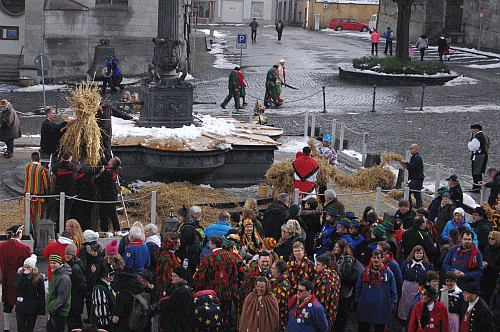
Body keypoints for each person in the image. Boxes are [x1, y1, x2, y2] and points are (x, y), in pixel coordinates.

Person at [192, 235, 241, 325]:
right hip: (227, 293)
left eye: (210, 244)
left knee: (213, 319)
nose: (209, 246)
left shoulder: (208, 258)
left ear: (214, 245)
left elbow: (200, 276)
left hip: (212, 295)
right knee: (225, 318)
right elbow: (235, 275)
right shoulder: (230, 256)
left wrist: (196, 290)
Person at [355, 249, 397, 332]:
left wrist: (391, 306)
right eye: (374, 257)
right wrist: (358, 302)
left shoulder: (388, 274)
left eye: (378, 258)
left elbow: (393, 292)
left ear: (382, 259)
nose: (376, 260)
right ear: (371, 259)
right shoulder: (365, 272)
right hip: (365, 308)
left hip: (381, 309)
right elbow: (358, 288)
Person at [0, 225, 31, 332]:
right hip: (20, 280)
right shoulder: (25, 248)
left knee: (7, 304)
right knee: (21, 304)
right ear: (18, 234)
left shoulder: (2, 246)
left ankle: (6, 328)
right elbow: (29, 266)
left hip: (6, 279)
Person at [398, 245, 434, 322]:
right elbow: (401, 274)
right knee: (405, 305)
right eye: (417, 253)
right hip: (407, 286)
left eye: (421, 253)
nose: (419, 255)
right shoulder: (406, 263)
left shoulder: (427, 265)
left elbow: (431, 276)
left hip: (420, 287)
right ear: (413, 254)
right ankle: (405, 321)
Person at [158, 266, 194, 332]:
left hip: (177, 326)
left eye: (175, 276)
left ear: (181, 277)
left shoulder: (181, 291)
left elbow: (169, 306)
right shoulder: (183, 288)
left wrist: (163, 302)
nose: (172, 278)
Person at [14, 254, 45, 332]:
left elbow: (41, 294)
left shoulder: (38, 278)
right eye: (25, 267)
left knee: (30, 328)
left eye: (28, 267)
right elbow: (17, 288)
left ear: (33, 268)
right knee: (21, 328)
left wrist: (42, 309)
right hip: (21, 306)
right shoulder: (20, 276)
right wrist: (23, 277)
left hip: (32, 306)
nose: (26, 269)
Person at [111, 266, 145, 332]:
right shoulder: (140, 291)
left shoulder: (122, 295)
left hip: (124, 327)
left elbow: (116, 318)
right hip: (137, 325)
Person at [93, 156, 121, 232]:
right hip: (112, 195)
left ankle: (105, 230)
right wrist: (102, 158)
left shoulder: (107, 173)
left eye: (111, 159)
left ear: (112, 163)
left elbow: (96, 180)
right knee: (113, 214)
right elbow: (106, 164)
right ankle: (117, 229)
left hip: (107, 196)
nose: (109, 159)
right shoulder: (114, 170)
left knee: (104, 214)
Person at [24, 152, 49, 235]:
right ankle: (37, 232)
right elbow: (45, 183)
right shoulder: (42, 169)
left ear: (31, 159)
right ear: (39, 159)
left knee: (29, 213)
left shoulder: (27, 167)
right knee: (38, 214)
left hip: (28, 195)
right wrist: (47, 194)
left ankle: (29, 231)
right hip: (38, 196)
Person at [46, 254, 72, 332]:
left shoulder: (63, 278)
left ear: (59, 263)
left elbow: (62, 298)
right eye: (51, 263)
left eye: (54, 263)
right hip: (54, 310)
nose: (52, 265)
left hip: (59, 312)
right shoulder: (56, 274)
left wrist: (52, 308)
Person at [52, 152, 81, 222]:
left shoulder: (57, 167)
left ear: (62, 158)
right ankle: (65, 226)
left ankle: (59, 228)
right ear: (71, 158)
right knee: (68, 212)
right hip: (70, 194)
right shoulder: (74, 167)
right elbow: (81, 164)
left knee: (59, 212)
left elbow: (54, 169)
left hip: (59, 193)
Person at [314, 254, 340, 330]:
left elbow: (321, 298)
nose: (316, 267)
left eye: (318, 265)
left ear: (324, 266)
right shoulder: (334, 274)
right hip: (332, 309)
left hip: (325, 310)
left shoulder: (325, 280)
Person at [64, 243, 87, 331]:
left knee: (74, 321)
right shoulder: (74, 265)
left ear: (73, 255)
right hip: (75, 298)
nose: (66, 256)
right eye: (65, 254)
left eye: (68, 254)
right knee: (76, 319)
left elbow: (80, 285)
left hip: (75, 298)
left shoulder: (75, 268)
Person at [334, 239, 354, 332]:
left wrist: (335, 274)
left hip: (345, 292)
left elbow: (346, 275)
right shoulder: (339, 257)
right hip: (340, 290)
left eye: (337, 247)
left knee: (342, 313)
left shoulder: (347, 259)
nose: (335, 248)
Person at [90, 264, 116, 331]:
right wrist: (105, 326)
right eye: (110, 275)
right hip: (102, 325)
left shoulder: (107, 286)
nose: (113, 276)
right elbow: (101, 310)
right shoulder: (99, 288)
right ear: (104, 276)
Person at [401, 144, 425, 209]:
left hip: (417, 179)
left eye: (412, 148)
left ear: (416, 149)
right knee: (417, 195)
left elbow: (412, 167)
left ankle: (410, 207)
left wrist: (405, 163)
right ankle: (420, 209)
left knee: (407, 192)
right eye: (410, 148)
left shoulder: (417, 157)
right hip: (417, 178)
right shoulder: (415, 156)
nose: (410, 150)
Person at [480, 230, 500, 304]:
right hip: (485, 277)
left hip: (495, 279)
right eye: (489, 238)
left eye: (492, 239)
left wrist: (488, 265)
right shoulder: (487, 249)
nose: (490, 240)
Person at [270, 260, 290, 332]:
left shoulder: (280, 285)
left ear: (277, 270)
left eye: (272, 268)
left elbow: (275, 304)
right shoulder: (283, 279)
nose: (271, 270)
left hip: (278, 319)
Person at [469, 124, 489, 192]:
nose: (473, 130)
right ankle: (478, 186)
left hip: (478, 156)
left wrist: (469, 143)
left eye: (474, 129)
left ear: (478, 129)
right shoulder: (484, 135)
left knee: (476, 172)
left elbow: (472, 147)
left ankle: (476, 187)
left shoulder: (478, 137)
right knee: (479, 171)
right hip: (483, 155)